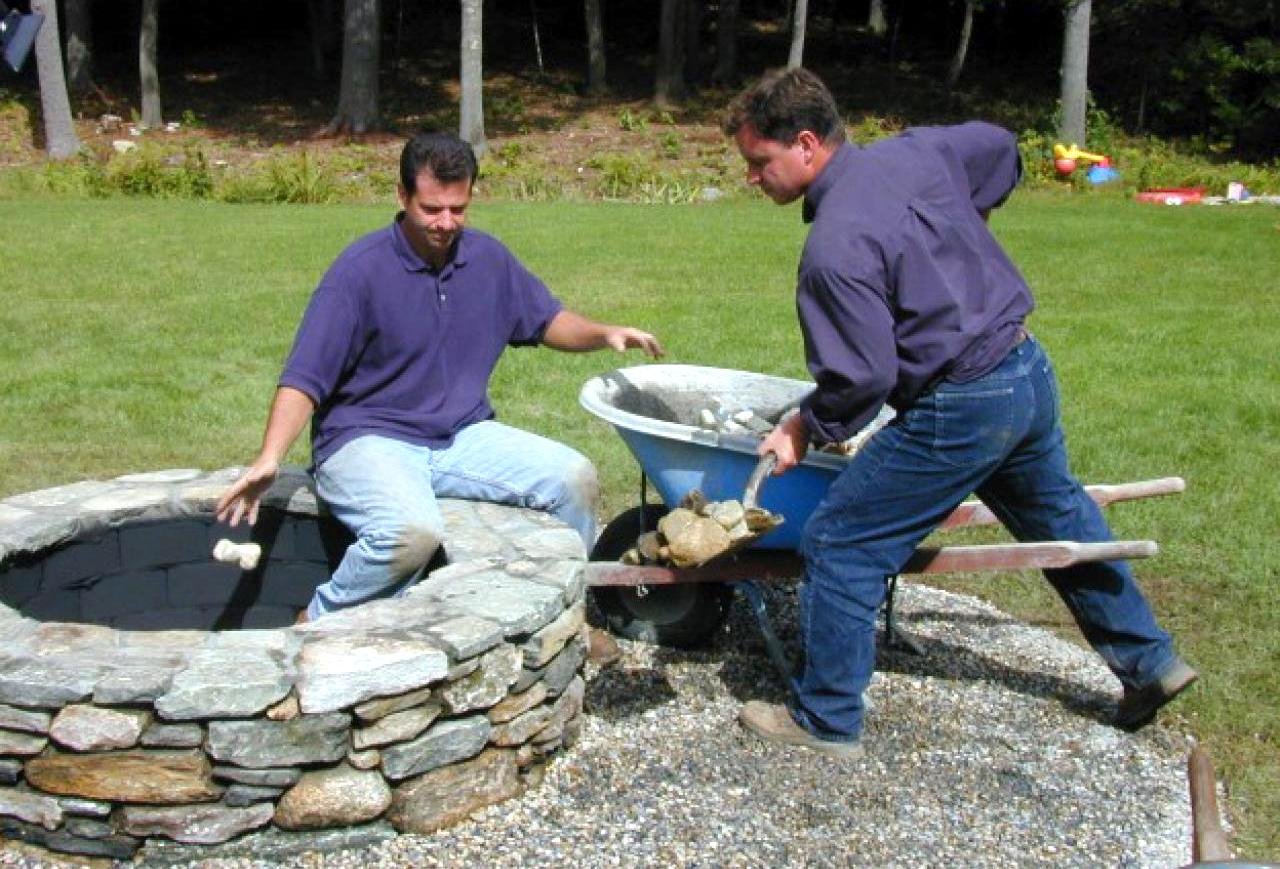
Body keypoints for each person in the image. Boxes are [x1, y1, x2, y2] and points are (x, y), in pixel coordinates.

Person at [723, 68, 1195, 757]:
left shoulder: (834, 247)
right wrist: (966, 222)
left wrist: (804, 425)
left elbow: (862, 377)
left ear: (805, 144)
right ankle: (1150, 661)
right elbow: (1001, 149)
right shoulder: (914, 154)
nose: (751, 177)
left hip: (962, 403)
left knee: (841, 542)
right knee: (1059, 514)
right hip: (1025, 369)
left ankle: (825, 718)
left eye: (759, 161)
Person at [217, 131, 662, 629]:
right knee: (409, 533)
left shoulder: (487, 259)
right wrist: (270, 457)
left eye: (458, 208)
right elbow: (305, 377)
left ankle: (566, 621)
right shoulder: (358, 273)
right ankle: (315, 624)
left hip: (460, 435)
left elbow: (545, 319)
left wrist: (603, 333)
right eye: (431, 209)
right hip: (366, 438)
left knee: (572, 478)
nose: (446, 222)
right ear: (402, 196)